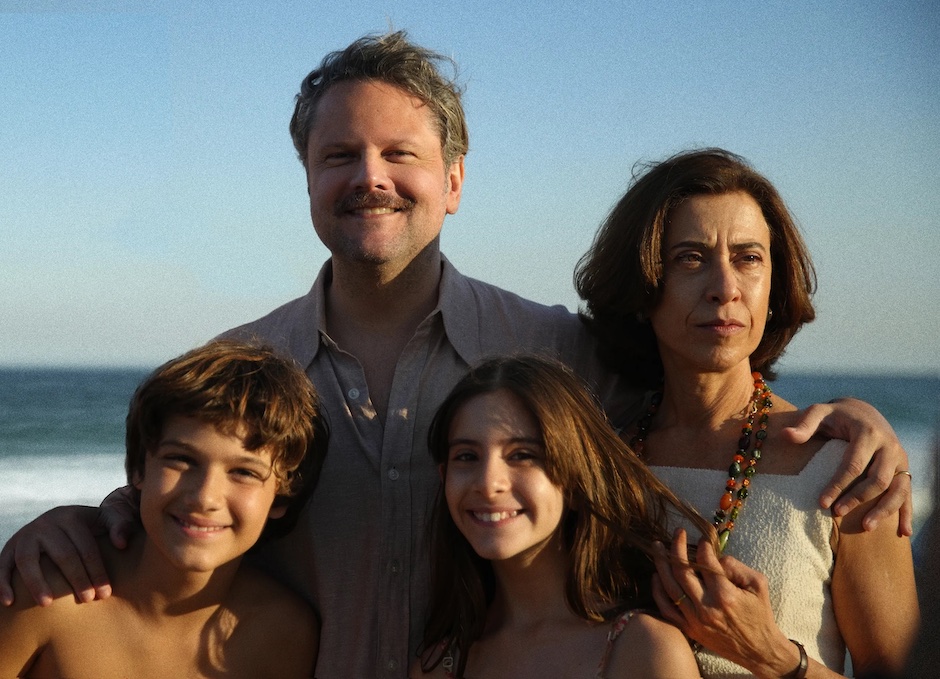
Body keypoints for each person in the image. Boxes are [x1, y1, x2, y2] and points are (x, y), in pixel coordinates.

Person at [0, 34, 913, 678]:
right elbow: (184, 501)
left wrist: (857, 422)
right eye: (338, 154)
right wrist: (82, 518)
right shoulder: (243, 367)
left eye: (402, 152)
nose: (371, 176)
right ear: (308, 177)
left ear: (456, 180)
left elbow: (705, 387)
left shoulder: (560, 354)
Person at [575, 148, 919, 678]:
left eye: (748, 257)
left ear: (773, 283)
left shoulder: (846, 468)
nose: (725, 288)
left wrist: (775, 657)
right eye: (690, 258)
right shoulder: (601, 465)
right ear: (642, 284)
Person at [0, 339, 326, 678]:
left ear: (283, 496)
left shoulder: (284, 633)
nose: (204, 497)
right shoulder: (46, 594)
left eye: (243, 472)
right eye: (181, 460)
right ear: (140, 468)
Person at [412, 355, 708, 679]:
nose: (487, 483)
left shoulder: (642, 649)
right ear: (444, 477)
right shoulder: (442, 665)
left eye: (523, 455)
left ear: (577, 483)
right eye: (467, 456)